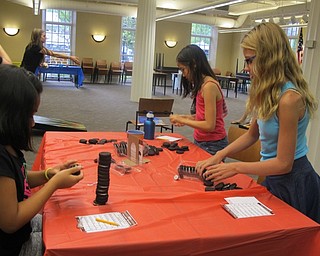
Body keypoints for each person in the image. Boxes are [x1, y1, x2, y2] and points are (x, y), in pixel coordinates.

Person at [196, 22, 320, 224]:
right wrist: (219, 155)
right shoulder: (267, 93)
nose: (247, 68)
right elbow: (252, 135)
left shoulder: (289, 99)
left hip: (294, 181)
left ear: (269, 58)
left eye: (250, 61)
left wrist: (235, 168)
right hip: (274, 177)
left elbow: (284, 163)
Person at [0, 65, 84, 256]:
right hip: (13, 247)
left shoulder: (8, 145)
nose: (33, 123)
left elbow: (16, 178)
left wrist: (48, 174)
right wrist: (54, 183)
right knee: (71, 242)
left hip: (20, 233)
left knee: (68, 218)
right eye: (29, 115)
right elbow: (11, 221)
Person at [169, 44, 228, 155]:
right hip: (203, 140)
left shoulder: (209, 86)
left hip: (213, 143)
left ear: (194, 64)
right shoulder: (203, 85)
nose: (184, 75)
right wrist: (185, 117)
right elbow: (203, 117)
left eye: (183, 69)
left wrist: (183, 120)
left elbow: (209, 125)